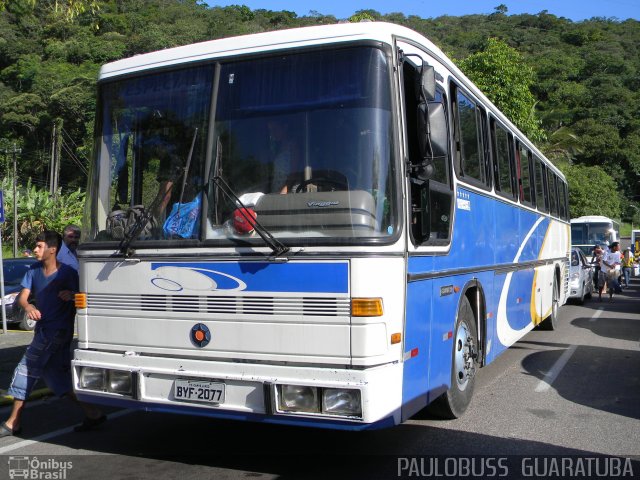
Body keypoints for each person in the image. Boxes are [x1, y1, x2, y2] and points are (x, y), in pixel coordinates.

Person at [0, 231, 105, 438]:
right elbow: (22, 298)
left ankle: (13, 422)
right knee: (57, 380)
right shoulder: (33, 270)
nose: (36, 250)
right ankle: (94, 414)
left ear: (52, 250)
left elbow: (87, 298)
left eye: (39, 246)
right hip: (42, 331)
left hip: (58, 332)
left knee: (26, 368)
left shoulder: (68, 273)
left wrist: (73, 295)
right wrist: (28, 306)